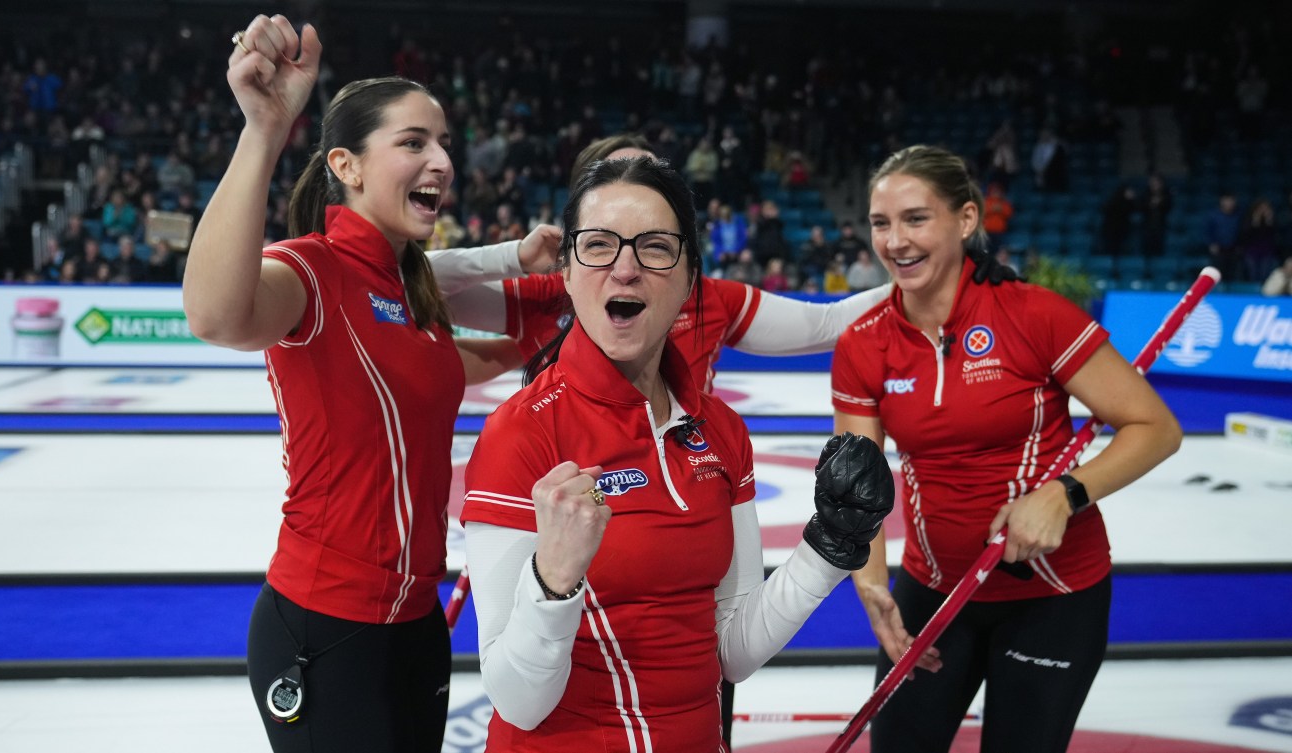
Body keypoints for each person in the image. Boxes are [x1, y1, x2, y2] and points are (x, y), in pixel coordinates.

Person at [459, 157, 894, 751]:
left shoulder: (721, 431)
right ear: (565, 270)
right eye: (599, 246)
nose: (626, 269)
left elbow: (731, 652)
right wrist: (552, 582)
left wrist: (829, 546)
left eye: (655, 248)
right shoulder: (521, 435)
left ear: (691, 276)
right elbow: (518, 701)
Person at [182, 16, 517, 752]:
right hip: (322, 630)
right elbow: (214, 314)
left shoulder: (414, 294)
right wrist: (264, 130)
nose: (440, 160)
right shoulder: (311, 270)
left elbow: (461, 367)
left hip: (417, 627)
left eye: (443, 144)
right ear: (347, 164)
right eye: (413, 142)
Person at [830, 145, 1182, 753]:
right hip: (933, 588)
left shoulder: (1032, 314)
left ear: (966, 220)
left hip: (1052, 597)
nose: (895, 241)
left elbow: (1156, 427)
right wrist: (871, 585)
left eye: (916, 218)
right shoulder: (865, 343)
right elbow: (856, 487)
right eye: (881, 223)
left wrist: (1063, 494)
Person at [433, 133, 1017, 394]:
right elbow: (417, 283)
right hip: (567, 523)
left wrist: (942, 267)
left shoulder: (711, 299)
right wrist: (511, 255)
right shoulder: (541, 293)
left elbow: (827, 324)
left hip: (684, 511)